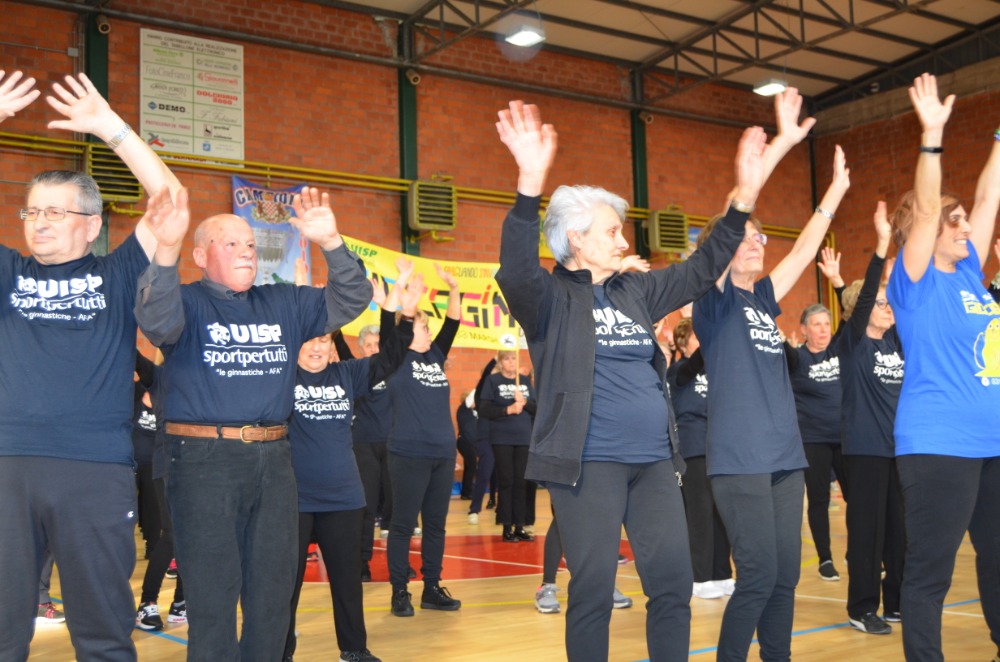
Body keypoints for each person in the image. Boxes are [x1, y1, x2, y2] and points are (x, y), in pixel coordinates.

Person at [494, 97, 782, 661]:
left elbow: (702, 268)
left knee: (672, 588)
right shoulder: (549, 299)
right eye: (612, 231)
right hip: (588, 465)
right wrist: (529, 180)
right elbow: (516, 267)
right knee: (593, 593)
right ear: (577, 238)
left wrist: (743, 197)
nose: (624, 242)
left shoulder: (635, 291)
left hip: (653, 462)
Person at [135, 186, 371, 661]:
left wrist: (331, 242)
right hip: (204, 461)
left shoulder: (283, 303)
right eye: (231, 244)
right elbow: (154, 319)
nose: (246, 252)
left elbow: (353, 297)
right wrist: (166, 247)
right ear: (200, 256)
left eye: (249, 244)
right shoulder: (186, 302)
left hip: (275, 458)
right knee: (213, 596)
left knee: (272, 595)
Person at [0, 70, 184, 662]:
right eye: (32, 212)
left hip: (94, 469)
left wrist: (111, 128)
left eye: (56, 212)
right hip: (9, 465)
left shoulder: (118, 274)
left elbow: (171, 202)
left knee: (103, 633)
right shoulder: (9, 275)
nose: (40, 221)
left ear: (92, 224)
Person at [692, 98, 851, 660]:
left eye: (762, 237)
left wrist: (835, 192)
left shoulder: (761, 298)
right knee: (758, 576)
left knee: (785, 577)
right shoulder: (713, 301)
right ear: (722, 250)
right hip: (740, 461)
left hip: (785, 457)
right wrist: (762, 167)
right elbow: (727, 229)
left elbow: (805, 251)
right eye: (747, 237)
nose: (758, 242)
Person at [886, 73, 1000, 662]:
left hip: (992, 444)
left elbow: (987, 198)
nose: (965, 228)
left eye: (963, 223)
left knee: (999, 560)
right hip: (938, 445)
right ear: (924, 232)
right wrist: (932, 136)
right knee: (930, 574)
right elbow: (931, 206)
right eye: (952, 223)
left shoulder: (970, 274)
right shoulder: (915, 281)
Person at [283, 272, 421, 662]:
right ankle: (281, 650)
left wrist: (401, 314)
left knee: (347, 581)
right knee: (285, 585)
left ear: (332, 345)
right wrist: (303, 296)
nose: (316, 347)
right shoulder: (281, 377)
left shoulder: (347, 374)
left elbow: (390, 358)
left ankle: (354, 649)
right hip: (292, 499)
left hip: (343, 498)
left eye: (323, 340)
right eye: (310, 339)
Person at [830, 202, 904, 636]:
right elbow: (862, 303)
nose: (887, 307)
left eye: (888, 302)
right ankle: (862, 607)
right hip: (864, 452)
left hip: (899, 451)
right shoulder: (853, 344)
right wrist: (880, 245)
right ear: (861, 309)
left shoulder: (896, 341)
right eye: (879, 303)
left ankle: (895, 601)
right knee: (867, 533)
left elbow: (907, 300)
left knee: (900, 532)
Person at [386, 262, 464, 617]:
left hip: (442, 454)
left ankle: (431, 587)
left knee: (436, 525)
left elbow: (453, 323)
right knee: (403, 525)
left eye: (428, 327)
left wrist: (453, 288)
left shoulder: (435, 354)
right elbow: (392, 324)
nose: (429, 332)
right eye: (423, 327)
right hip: (408, 454)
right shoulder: (395, 357)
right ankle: (399, 591)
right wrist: (405, 294)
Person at [666, 317, 733, 601]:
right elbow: (692, 365)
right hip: (693, 450)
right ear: (683, 343)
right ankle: (700, 577)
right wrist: (712, 331)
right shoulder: (679, 370)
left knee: (721, 514)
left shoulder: (714, 370)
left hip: (719, 449)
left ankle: (722, 574)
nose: (703, 341)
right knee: (699, 514)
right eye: (697, 336)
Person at [786, 299, 846, 582]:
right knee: (819, 499)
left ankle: (857, 552)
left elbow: (852, 317)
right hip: (813, 440)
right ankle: (825, 558)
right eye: (816, 325)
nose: (823, 330)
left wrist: (838, 283)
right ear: (804, 330)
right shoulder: (798, 358)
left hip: (846, 438)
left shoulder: (838, 350)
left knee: (858, 497)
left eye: (826, 324)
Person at [478, 349, 537, 542]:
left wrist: (524, 402)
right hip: (502, 438)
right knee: (506, 481)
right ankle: (506, 526)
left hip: (523, 438)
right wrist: (507, 409)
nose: (511, 362)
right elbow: (484, 410)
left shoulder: (525, 381)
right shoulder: (493, 381)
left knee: (521, 482)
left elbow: (536, 408)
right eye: (507, 359)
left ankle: (520, 525)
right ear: (500, 362)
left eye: (514, 358)